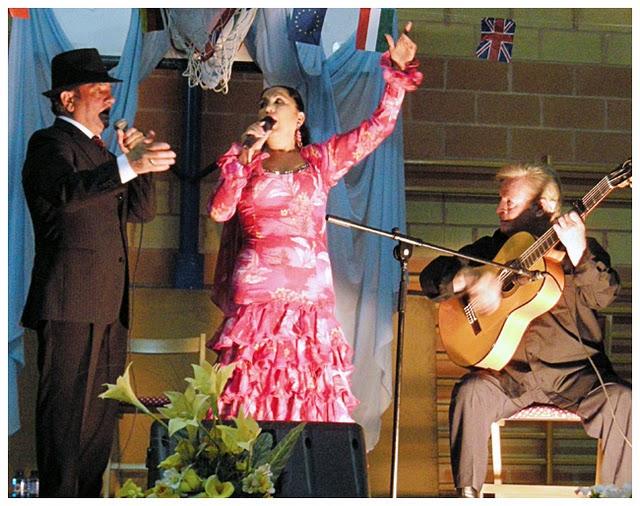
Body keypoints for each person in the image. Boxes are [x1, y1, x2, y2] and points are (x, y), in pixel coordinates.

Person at [207, 24, 422, 423]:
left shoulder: (321, 162)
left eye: (278, 101)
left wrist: (395, 77)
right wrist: (240, 161)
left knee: (306, 394)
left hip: (309, 298)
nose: (268, 108)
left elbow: (376, 130)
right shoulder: (245, 161)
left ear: (299, 117)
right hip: (258, 297)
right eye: (263, 103)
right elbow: (220, 211)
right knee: (253, 396)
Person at [420, 163, 631, 497]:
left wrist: (578, 250)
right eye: (500, 201)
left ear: (542, 207)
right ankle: (467, 496)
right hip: (508, 376)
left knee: (624, 400)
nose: (499, 208)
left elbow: (603, 294)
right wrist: (470, 279)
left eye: (510, 202)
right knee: (470, 392)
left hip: (574, 375)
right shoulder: (489, 251)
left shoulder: (579, 250)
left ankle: (617, 497)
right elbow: (432, 277)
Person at [21, 48, 176, 497]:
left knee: (97, 425)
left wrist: (139, 164)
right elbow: (67, 195)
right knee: (65, 420)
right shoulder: (49, 144)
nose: (110, 98)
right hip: (70, 302)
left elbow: (141, 213)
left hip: (109, 304)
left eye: (111, 90)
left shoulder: (103, 154)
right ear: (68, 100)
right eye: (99, 90)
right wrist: (126, 166)